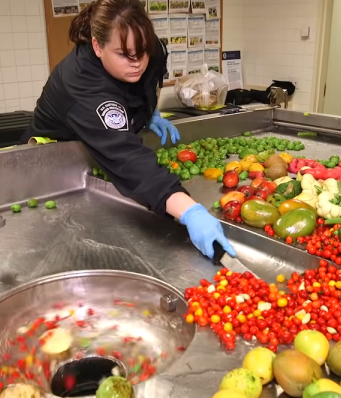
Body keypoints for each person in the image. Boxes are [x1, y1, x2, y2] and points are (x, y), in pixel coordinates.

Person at [20, 0, 235, 260]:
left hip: (108, 146)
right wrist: (191, 212)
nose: (137, 64)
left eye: (142, 53)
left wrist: (149, 110)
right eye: (125, 55)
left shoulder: (146, 46)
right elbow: (128, 159)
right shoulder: (83, 84)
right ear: (97, 46)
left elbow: (153, 71)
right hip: (53, 168)